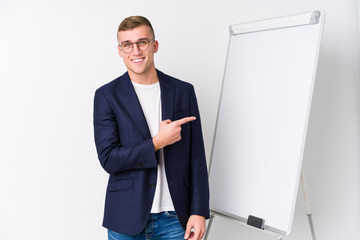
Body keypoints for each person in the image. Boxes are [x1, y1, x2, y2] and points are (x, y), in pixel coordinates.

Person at [93, 16, 210, 240]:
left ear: (154, 45)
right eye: (127, 44)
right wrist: (157, 142)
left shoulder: (183, 91)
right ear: (120, 51)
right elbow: (109, 159)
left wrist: (199, 211)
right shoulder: (107, 96)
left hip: (176, 218)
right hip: (126, 218)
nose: (135, 50)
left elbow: (196, 157)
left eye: (142, 42)